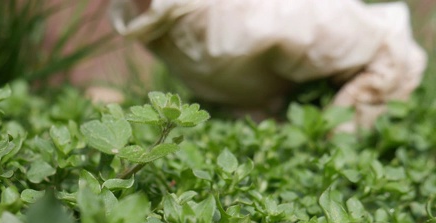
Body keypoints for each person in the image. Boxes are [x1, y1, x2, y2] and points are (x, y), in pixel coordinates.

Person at [110, 0, 427, 132]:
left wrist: (332, 134)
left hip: (377, 75)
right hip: (270, 113)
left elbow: (385, 46)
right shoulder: (147, 17)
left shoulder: (265, 17)